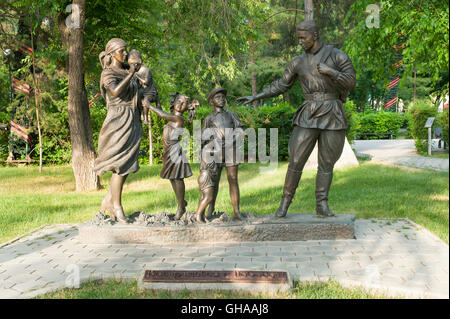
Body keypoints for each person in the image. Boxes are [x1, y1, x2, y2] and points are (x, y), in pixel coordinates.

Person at [238, 20, 356, 218]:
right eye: (298, 38)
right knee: (296, 159)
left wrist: (331, 72)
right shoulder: (298, 62)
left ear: (315, 35)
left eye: (303, 37)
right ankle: (284, 204)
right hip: (308, 113)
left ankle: (322, 205)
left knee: (327, 163)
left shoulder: (337, 55)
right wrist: (257, 96)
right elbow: (281, 85)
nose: (300, 41)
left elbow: (351, 82)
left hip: (333, 112)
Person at [94, 38, 143, 223]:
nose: (125, 54)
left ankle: (109, 200)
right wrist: (131, 74)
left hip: (132, 119)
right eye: (121, 51)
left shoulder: (125, 71)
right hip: (117, 120)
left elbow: (137, 93)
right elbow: (115, 92)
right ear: (112, 53)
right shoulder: (108, 73)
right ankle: (116, 206)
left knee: (127, 163)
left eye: (126, 50)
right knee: (120, 166)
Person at [145, 93, 198, 220]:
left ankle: (181, 206)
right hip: (168, 151)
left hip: (175, 151)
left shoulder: (178, 119)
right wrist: (157, 101)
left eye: (183, 103)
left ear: (187, 107)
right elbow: (163, 112)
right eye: (178, 101)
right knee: (171, 178)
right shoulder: (172, 117)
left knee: (177, 177)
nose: (180, 104)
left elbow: (162, 114)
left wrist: (150, 106)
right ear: (174, 101)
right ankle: (181, 202)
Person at [195, 87, 244, 223]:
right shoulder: (209, 118)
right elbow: (203, 135)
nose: (221, 99)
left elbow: (240, 129)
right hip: (215, 151)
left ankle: (236, 211)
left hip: (231, 150)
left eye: (223, 97)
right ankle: (210, 209)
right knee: (214, 180)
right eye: (218, 97)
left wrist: (232, 139)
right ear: (212, 102)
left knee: (233, 179)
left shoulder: (231, 115)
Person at [127, 49, 160, 124]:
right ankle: (140, 112)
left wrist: (136, 76)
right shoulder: (131, 70)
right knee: (136, 98)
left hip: (149, 90)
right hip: (140, 90)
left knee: (145, 101)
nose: (135, 66)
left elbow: (146, 82)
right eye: (132, 64)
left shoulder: (146, 70)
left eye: (136, 64)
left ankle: (145, 118)